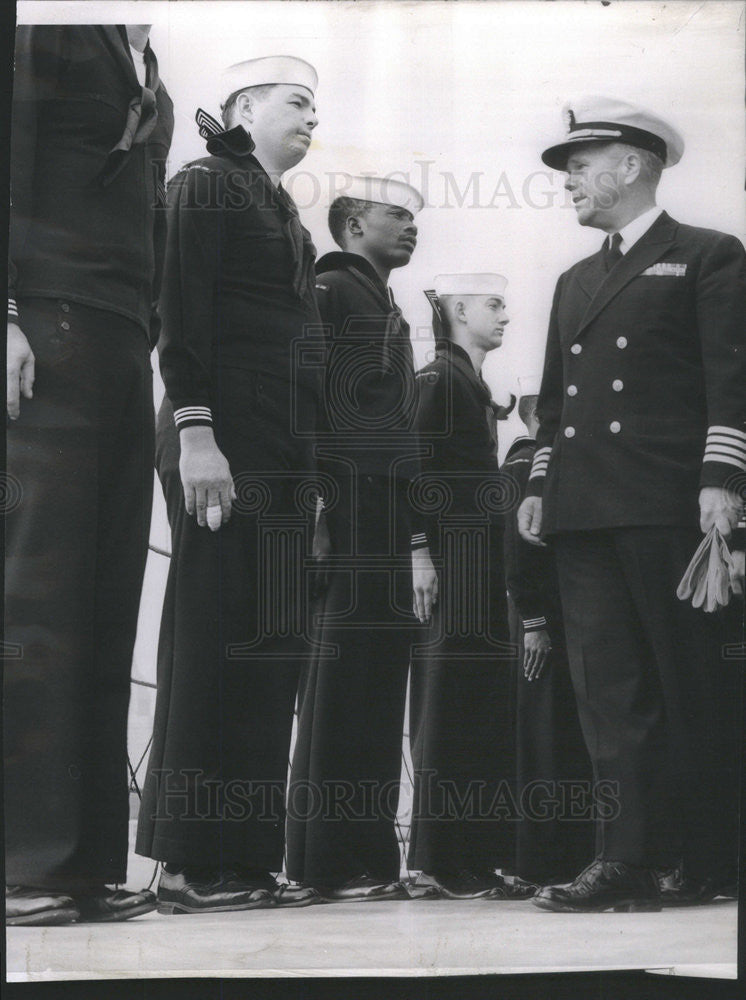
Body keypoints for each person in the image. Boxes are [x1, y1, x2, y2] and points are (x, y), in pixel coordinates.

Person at [518, 96, 746, 912]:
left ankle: (714, 855)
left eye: (581, 166)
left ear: (633, 165)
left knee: (693, 685)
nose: (569, 182)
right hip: (585, 509)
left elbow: (732, 378)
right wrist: (542, 484)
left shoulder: (709, 254)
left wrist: (724, 481)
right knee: (608, 697)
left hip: (666, 501)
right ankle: (632, 859)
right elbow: (555, 405)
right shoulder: (574, 278)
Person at [135, 56, 322, 913]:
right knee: (213, 642)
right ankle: (184, 860)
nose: (311, 118)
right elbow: (181, 308)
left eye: (316, 107)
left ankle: (241, 857)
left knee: (266, 652)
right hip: (223, 443)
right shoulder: (208, 183)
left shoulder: (280, 209)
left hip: (281, 455)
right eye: (296, 102)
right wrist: (196, 428)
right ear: (244, 105)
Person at [4, 24, 172, 926]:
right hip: (48, 322)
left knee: (107, 606)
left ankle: (83, 866)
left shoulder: (146, 68)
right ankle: (23, 864)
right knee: (38, 604)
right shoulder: (49, 30)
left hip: (117, 337)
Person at [286, 175, 437, 901]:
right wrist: (317, 506)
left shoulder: (382, 301)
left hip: (382, 515)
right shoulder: (335, 288)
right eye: (395, 215)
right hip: (346, 510)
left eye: (415, 216)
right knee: (343, 686)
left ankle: (368, 858)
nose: (411, 226)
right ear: (351, 224)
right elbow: (310, 396)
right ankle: (325, 861)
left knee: (375, 683)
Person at [406, 274, 519, 900]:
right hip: (450, 560)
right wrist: (419, 550)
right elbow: (411, 465)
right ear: (458, 309)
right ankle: (440, 860)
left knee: (477, 704)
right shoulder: (439, 379)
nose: (507, 314)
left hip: (479, 564)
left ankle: (471, 855)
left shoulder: (471, 385)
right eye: (494, 304)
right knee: (448, 705)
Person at [502, 383, 594, 887]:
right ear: (534, 415)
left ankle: (569, 857)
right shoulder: (523, 466)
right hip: (543, 623)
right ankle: (538, 864)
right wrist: (534, 623)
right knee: (544, 739)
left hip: (567, 617)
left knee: (566, 740)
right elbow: (518, 553)